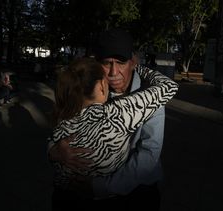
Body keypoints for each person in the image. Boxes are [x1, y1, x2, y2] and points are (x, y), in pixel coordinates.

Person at [48, 28, 171, 210]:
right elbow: (62, 127)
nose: (114, 72)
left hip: (135, 187)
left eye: (121, 62)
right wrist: (53, 150)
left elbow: (149, 153)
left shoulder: (151, 96)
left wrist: (101, 187)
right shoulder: (86, 87)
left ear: (133, 61)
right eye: (107, 63)